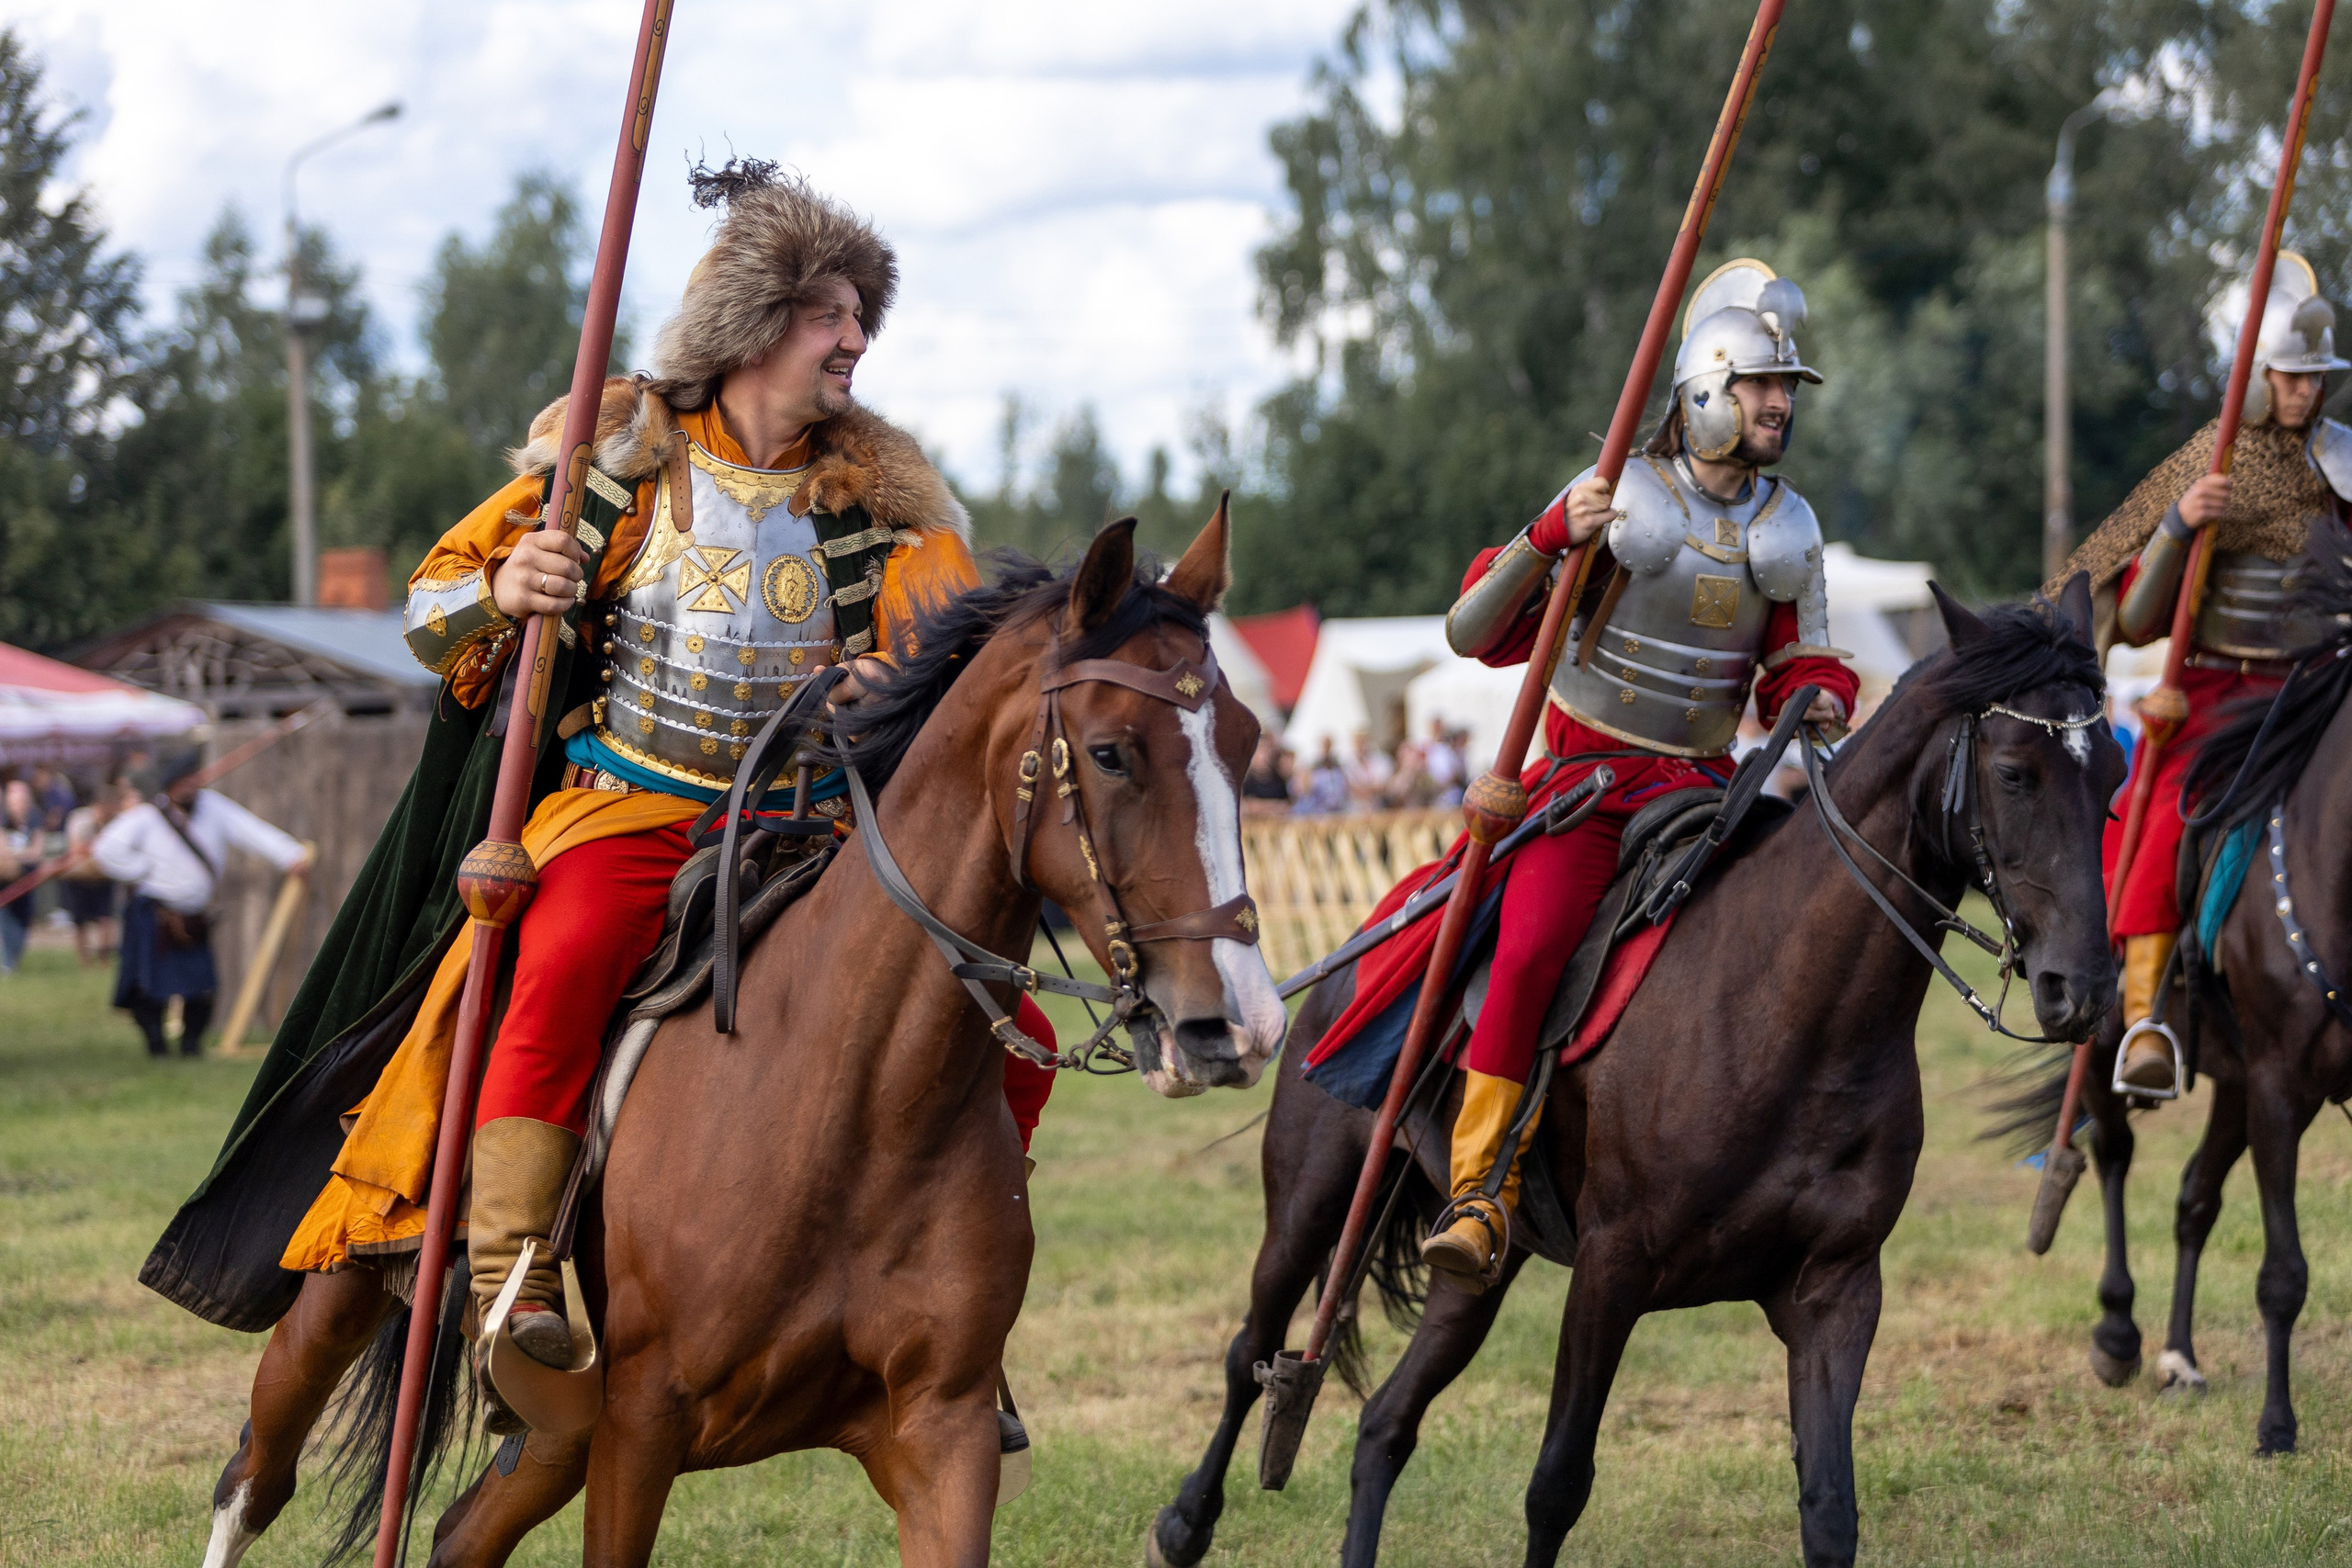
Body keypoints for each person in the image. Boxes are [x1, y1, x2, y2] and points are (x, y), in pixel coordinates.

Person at [241, 164, 1063, 1430]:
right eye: (830, 313)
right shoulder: (620, 465)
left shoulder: (885, 510)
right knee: (562, 949)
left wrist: (897, 689)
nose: (855, 340)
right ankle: (515, 1275)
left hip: (803, 830)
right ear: (749, 325)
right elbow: (424, 609)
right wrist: (506, 589)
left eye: (861, 319)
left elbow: (951, 666)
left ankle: (942, 1284)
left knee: (1012, 1027)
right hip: (628, 807)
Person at [1409, 259, 1858, 1290]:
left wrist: (1824, 693)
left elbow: (1803, 658)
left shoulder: (1787, 527)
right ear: (1706, 386)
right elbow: (1472, 630)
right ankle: (1479, 1188)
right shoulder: (1621, 500)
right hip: (1586, 791)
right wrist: (1545, 538)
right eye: (1761, 385)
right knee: (1524, 958)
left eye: (1786, 387)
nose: (1781, 403)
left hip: (1705, 792)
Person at [2055, 252, 2352, 1097]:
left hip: (2322, 693)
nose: (2308, 393)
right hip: (2221, 696)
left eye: (2317, 379)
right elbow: (2143, 617)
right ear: (2256, 375)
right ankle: (2147, 1017)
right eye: (2293, 378)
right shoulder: (2210, 462)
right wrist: (2180, 528)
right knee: (2167, 823)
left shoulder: (2346, 461)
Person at [89, 750, 309, 1056]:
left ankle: (191, 1046)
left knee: (202, 989)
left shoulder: (214, 808)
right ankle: (157, 1047)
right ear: (168, 785)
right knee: (149, 989)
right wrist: (143, 871)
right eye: (180, 782)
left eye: (191, 779)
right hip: (156, 914)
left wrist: (289, 855)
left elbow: (250, 830)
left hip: (194, 916)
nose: (188, 787)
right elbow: (106, 850)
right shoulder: (146, 816)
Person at [61, 777, 125, 966]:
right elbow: (75, 848)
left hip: (103, 876)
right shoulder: (80, 819)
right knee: (79, 922)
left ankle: (104, 961)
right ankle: (84, 961)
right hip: (79, 876)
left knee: (105, 919)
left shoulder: (116, 823)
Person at [0, 776, 35, 976]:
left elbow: (37, 850)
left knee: (23, 921)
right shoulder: (4, 821)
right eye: (14, 798)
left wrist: (17, 856)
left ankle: (12, 962)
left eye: (21, 798)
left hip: (27, 880)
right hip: (5, 880)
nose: (18, 803)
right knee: (5, 921)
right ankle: (7, 964)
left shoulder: (33, 819)